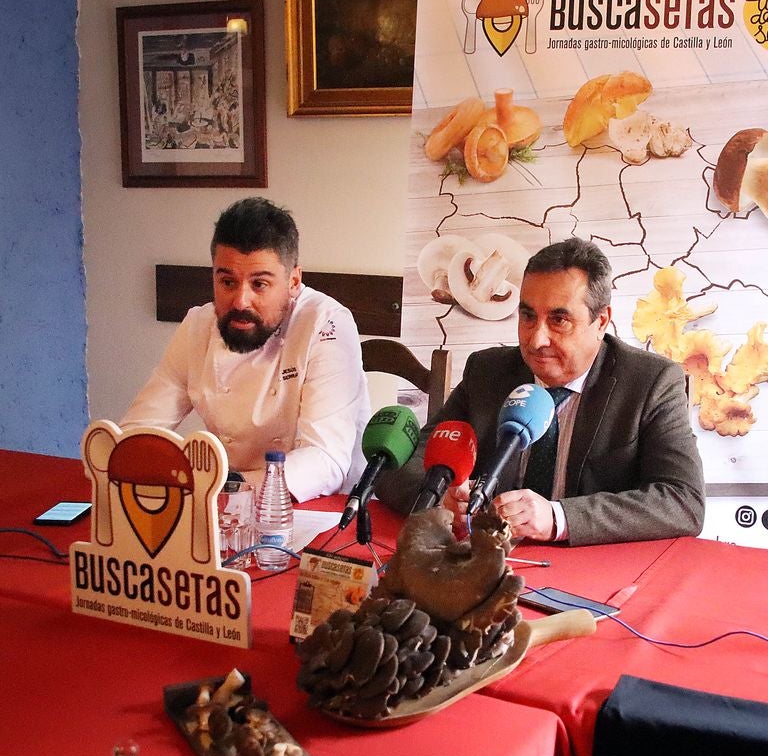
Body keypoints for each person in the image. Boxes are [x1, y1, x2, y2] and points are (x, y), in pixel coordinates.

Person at [377, 237, 705, 545]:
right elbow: (404, 464)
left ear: (601, 321)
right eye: (528, 316)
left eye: (559, 320)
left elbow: (683, 500)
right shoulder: (488, 373)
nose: (536, 340)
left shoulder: (651, 382)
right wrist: (440, 494)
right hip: (485, 563)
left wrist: (558, 517)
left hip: (591, 573)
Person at [121, 197, 369, 501]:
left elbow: (325, 461)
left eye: (259, 284)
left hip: (321, 509)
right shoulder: (197, 327)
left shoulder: (326, 324)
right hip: (228, 505)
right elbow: (137, 434)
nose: (240, 301)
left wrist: (227, 487)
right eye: (227, 282)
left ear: (293, 281)